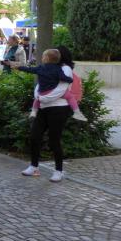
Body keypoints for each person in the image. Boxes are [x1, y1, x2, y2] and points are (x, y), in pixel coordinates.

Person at [19, 46, 79, 183]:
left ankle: (59, 171)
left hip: (58, 109)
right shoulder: (47, 68)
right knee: (34, 136)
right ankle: (34, 166)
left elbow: (61, 89)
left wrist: (44, 98)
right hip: (43, 107)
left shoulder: (65, 69)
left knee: (54, 140)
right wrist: (38, 96)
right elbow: (40, 85)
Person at [11, 49, 86, 121]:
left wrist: (19, 67)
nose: (42, 58)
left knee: (37, 98)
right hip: (52, 91)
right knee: (70, 97)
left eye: (43, 57)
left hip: (42, 92)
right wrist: (70, 80)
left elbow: (30, 69)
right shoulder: (58, 69)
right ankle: (77, 112)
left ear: (46, 58)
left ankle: (33, 111)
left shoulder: (41, 68)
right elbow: (63, 78)